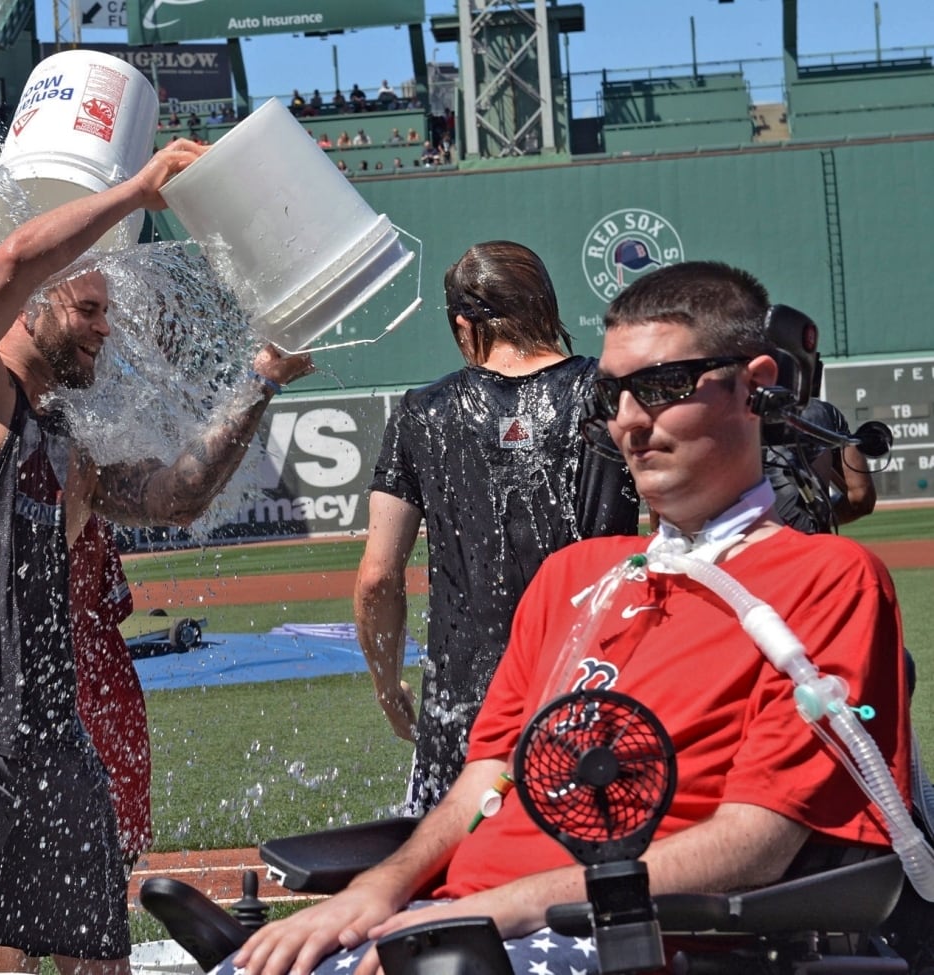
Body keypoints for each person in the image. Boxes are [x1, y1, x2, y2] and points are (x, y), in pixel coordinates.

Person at [232, 260, 911, 975]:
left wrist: (497, 908)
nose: (629, 421)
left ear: (756, 385)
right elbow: (484, 778)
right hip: (461, 929)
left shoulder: (826, 580)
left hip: (617, 938)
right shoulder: (574, 578)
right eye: (614, 394)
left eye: (660, 385)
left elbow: (755, 842)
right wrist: (379, 888)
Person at [0, 139, 313, 974]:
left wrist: (261, 379)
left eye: (107, 312)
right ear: (31, 307)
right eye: (88, 310)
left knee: (98, 957)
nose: (106, 329)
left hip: (45, 734)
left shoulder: (69, 450)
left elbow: (178, 496)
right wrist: (137, 191)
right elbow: (18, 254)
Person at [355, 240, 638, 815]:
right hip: (599, 679)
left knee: (459, 876)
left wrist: (389, 689)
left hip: (467, 701)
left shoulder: (422, 411)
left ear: (463, 322)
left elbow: (378, 578)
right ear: (544, 307)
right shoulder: (608, 395)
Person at [0, 514, 150, 975]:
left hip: (27, 685)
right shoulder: (82, 490)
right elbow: (112, 604)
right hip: (93, 682)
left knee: (14, 884)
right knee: (99, 880)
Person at [764, 395, 877, 533]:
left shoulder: (736, 418)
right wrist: (820, 515)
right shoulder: (821, 412)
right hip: (810, 540)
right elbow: (861, 496)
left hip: (749, 541)